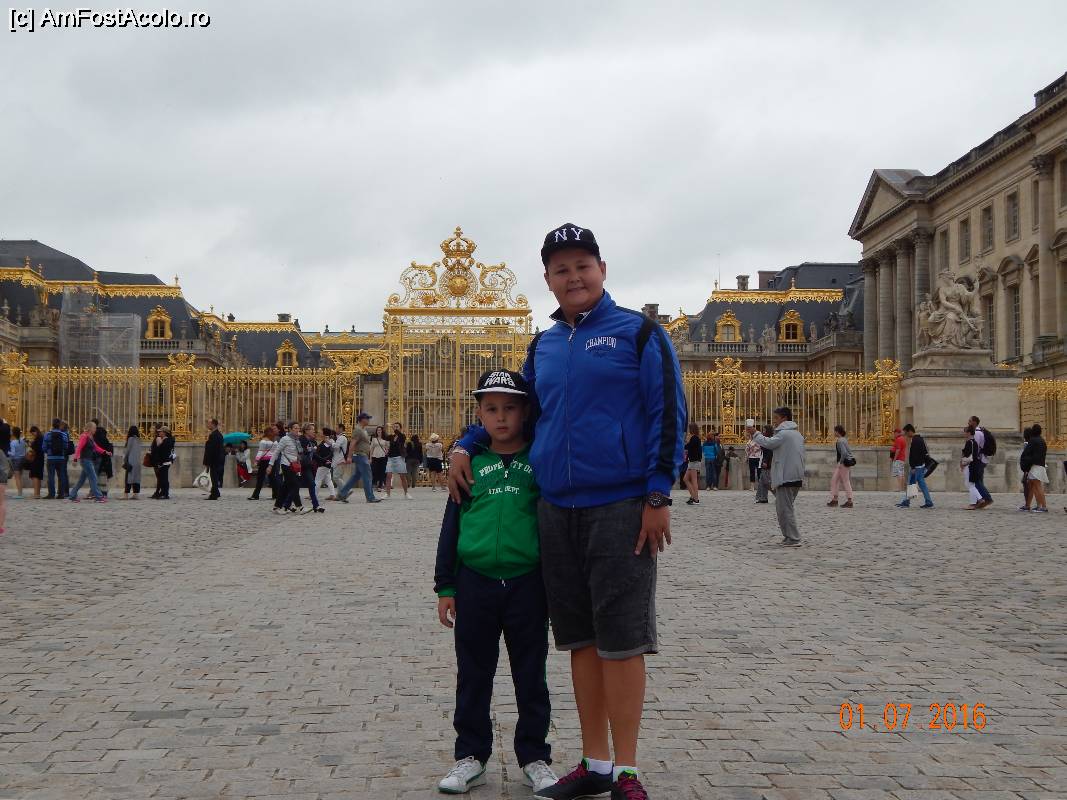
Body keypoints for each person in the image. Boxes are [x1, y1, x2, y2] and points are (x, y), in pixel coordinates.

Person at [449, 223, 686, 800]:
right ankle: (595, 762)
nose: (573, 277)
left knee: (622, 639)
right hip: (555, 507)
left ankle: (626, 769)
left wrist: (658, 495)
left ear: (602, 270)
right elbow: (517, 412)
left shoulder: (639, 333)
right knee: (579, 639)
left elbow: (668, 415)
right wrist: (466, 442)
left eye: (583, 265)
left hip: (620, 504)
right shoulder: (545, 345)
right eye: (561, 269)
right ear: (548, 279)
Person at [433, 369, 557, 795]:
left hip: (528, 583)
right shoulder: (470, 463)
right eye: (491, 409)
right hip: (476, 581)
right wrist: (445, 586)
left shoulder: (540, 460)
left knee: (531, 675)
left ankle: (535, 757)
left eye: (509, 408)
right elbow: (451, 528)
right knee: (473, 674)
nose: (500, 417)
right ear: (480, 415)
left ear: (525, 411)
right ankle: (470, 756)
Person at [750, 407, 805, 546]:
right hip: (795, 475)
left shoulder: (784, 434)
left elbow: (768, 443)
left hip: (786, 476)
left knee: (785, 509)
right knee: (783, 508)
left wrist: (755, 433)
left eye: (776, 418)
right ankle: (788, 536)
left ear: (784, 418)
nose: (774, 421)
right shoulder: (797, 434)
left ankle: (794, 538)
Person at [337, 412, 381, 504]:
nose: (369, 420)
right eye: (367, 418)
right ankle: (370, 497)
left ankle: (342, 494)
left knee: (356, 476)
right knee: (368, 476)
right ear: (362, 419)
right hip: (360, 455)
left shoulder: (363, 430)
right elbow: (352, 443)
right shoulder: (358, 430)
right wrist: (349, 457)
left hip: (362, 455)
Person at [269, 421, 309, 514]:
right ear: (290, 429)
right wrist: (270, 465)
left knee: (285, 487)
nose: (297, 430)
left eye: (298, 428)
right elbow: (276, 452)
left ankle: (276, 507)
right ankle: (300, 507)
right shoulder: (285, 439)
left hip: (294, 465)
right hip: (286, 465)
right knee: (295, 485)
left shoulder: (297, 439)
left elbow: (299, 452)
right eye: (295, 428)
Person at [896, 423, 934, 509]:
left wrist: (913, 467)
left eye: (906, 433)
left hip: (916, 467)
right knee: (921, 484)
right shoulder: (920, 439)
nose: (906, 435)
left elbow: (915, 456)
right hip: (920, 466)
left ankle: (906, 502)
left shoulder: (915, 441)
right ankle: (928, 501)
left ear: (910, 431)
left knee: (911, 483)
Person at [69, 421, 108, 502]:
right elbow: (79, 448)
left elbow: (96, 447)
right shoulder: (84, 436)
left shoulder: (90, 437)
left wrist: (105, 452)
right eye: (94, 428)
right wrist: (75, 459)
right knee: (93, 478)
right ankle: (99, 497)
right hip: (85, 461)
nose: (95, 430)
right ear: (90, 428)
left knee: (81, 480)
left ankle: (72, 495)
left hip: (88, 460)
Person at [968, 415, 994, 509]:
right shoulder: (980, 432)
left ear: (974, 422)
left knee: (976, 481)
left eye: (970, 421)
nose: (968, 423)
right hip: (982, 459)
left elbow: (975, 448)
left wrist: (970, 459)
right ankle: (980, 500)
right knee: (979, 480)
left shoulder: (977, 433)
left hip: (979, 460)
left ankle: (987, 498)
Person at [1023, 423, 1049, 513]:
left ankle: (1044, 506)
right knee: (1033, 486)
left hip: (1034, 466)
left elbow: (1027, 453)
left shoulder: (1033, 441)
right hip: (1041, 464)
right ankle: (1036, 506)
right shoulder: (1042, 440)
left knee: (1038, 486)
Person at [827, 424, 854, 508]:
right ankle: (835, 499)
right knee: (834, 480)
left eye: (835, 431)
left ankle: (849, 501)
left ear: (837, 432)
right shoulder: (844, 439)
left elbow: (844, 453)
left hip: (843, 464)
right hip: (843, 463)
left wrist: (840, 462)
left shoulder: (840, 441)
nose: (834, 433)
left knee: (845, 481)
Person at [43, 418, 71, 499]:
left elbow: (44, 447)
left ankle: (51, 494)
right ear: (59, 425)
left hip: (51, 458)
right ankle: (61, 494)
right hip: (61, 458)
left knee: (51, 476)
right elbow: (66, 446)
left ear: (52, 425)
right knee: (61, 476)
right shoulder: (64, 435)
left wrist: (48, 452)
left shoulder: (47, 434)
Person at [299, 423, 324, 512]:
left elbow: (314, 455)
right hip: (299, 466)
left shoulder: (312, 441)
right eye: (312, 429)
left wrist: (324, 460)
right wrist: (309, 450)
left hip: (307, 466)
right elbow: (300, 451)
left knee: (312, 484)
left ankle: (316, 505)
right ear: (306, 431)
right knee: (295, 486)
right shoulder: (301, 440)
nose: (314, 431)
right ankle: (286, 504)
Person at [249, 426, 277, 500]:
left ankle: (256, 495)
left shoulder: (263, 441)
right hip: (271, 461)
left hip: (264, 461)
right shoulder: (274, 441)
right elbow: (275, 453)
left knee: (260, 478)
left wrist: (256, 460)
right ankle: (275, 495)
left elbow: (260, 452)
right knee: (272, 478)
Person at [384, 421, 410, 499]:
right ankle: (387, 494)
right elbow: (384, 437)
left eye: (397, 426)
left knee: (402, 476)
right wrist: (385, 427)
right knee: (388, 475)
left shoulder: (402, 436)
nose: (395, 428)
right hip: (391, 457)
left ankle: (406, 493)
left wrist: (392, 427)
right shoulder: (391, 436)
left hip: (399, 457)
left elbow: (398, 433)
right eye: (394, 426)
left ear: (400, 428)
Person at [91, 420, 115, 497]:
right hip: (106, 461)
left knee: (95, 476)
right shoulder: (105, 438)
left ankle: (95, 492)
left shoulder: (95, 437)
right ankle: (103, 493)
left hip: (97, 459)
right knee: (103, 477)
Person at [313, 427, 338, 502]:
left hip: (324, 463)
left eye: (321, 431)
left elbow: (330, 453)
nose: (319, 432)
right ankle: (332, 494)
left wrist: (326, 460)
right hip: (325, 463)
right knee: (328, 480)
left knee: (318, 480)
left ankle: (314, 495)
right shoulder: (326, 440)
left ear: (324, 433)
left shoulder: (329, 441)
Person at [150, 427, 175, 500]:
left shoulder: (167, 441)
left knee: (164, 479)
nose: (159, 433)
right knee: (161, 478)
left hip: (164, 462)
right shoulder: (164, 440)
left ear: (164, 433)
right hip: (163, 462)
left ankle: (165, 494)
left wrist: (159, 444)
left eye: (160, 431)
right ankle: (162, 493)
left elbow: (163, 452)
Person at [961, 426, 983, 509]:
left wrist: (963, 463)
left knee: (970, 484)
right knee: (970, 484)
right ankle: (976, 501)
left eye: (965, 432)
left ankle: (976, 501)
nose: (964, 433)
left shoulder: (969, 442)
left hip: (969, 465)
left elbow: (967, 455)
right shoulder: (974, 442)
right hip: (973, 465)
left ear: (969, 433)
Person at [203, 418, 225, 500]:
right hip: (217, 459)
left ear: (213, 424)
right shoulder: (218, 434)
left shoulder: (214, 435)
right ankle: (216, 492)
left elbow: (211, 450)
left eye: (209, 423)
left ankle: (214, 494)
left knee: (214, 477)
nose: (207, 425)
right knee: (214, 477)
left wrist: (207, 462)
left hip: (214, 460)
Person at [683, 423, 701, 505]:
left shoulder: (694, 438)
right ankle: (693, 496)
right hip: (692, 461)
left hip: (694, 461)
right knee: (685, 479)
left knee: (694, 480)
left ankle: (696, 499)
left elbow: (688, 447)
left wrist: (687, 441)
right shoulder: (695, 438)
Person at [123, 425, 143, 499]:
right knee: (136, 479)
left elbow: (127, 451)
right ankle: (136, 494)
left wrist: (125, 459)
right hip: (137, 462)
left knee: (128, 478)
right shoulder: (139, 440)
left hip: (130, 461)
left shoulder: (130, 439)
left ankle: (126, 494)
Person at [755, 425, 773, 503]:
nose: (763, 432)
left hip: (767, 462)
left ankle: (778, 494)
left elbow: (769, 452)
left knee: (766, 481)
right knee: (762, 480)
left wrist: (766, 462)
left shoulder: (769, 440)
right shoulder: (765, 439)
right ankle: (762, 497)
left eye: (764, 430)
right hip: (763, 461)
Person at [8, 426, 26, 498]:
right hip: (22, 459)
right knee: (20, 477)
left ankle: (19, 494)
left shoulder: (13, 443)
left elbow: (13, 453)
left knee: (17, 478)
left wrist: (7, 452)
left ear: (13, 433)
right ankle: (20, 493)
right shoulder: (22, 441)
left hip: (16, 460)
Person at [27, 425, 45, 499]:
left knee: (35, 476)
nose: (32, 435)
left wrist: (30, 446)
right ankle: (37, 493)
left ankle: (36, 494)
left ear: (35, 431)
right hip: (40, 458)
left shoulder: (38, 439)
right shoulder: (41, 438)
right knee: (38, 476)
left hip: (36, 459)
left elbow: (36, 449)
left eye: (32, 433)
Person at [369, 425, 388, 491]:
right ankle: (374, 483)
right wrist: (370, 458)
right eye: (378, 430)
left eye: (380, 430)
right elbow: (371, 449)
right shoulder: (374, 439)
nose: (379, 431)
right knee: (374, 470)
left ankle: (380, 485)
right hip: (375, 456)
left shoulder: (385, 439)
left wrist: (387, 451)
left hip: (383, 457)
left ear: (382, 431)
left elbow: (387, 448)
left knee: (382, 471)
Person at [332, 422, 349, 487]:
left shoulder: (342, 437)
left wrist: (331, 443)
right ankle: (341, 492)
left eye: (337, 428)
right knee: (339, 477)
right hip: (340, 459)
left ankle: (347, 489)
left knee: (336, 477)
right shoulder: (341, 437)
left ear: (341, 429)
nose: (335, 430)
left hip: (339, 460)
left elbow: (336, 446)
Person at [0, 446, 10, 532]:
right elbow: (6, 466)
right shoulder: (1, 452)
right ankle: (0, 525)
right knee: (1, 503)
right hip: (1, 479)